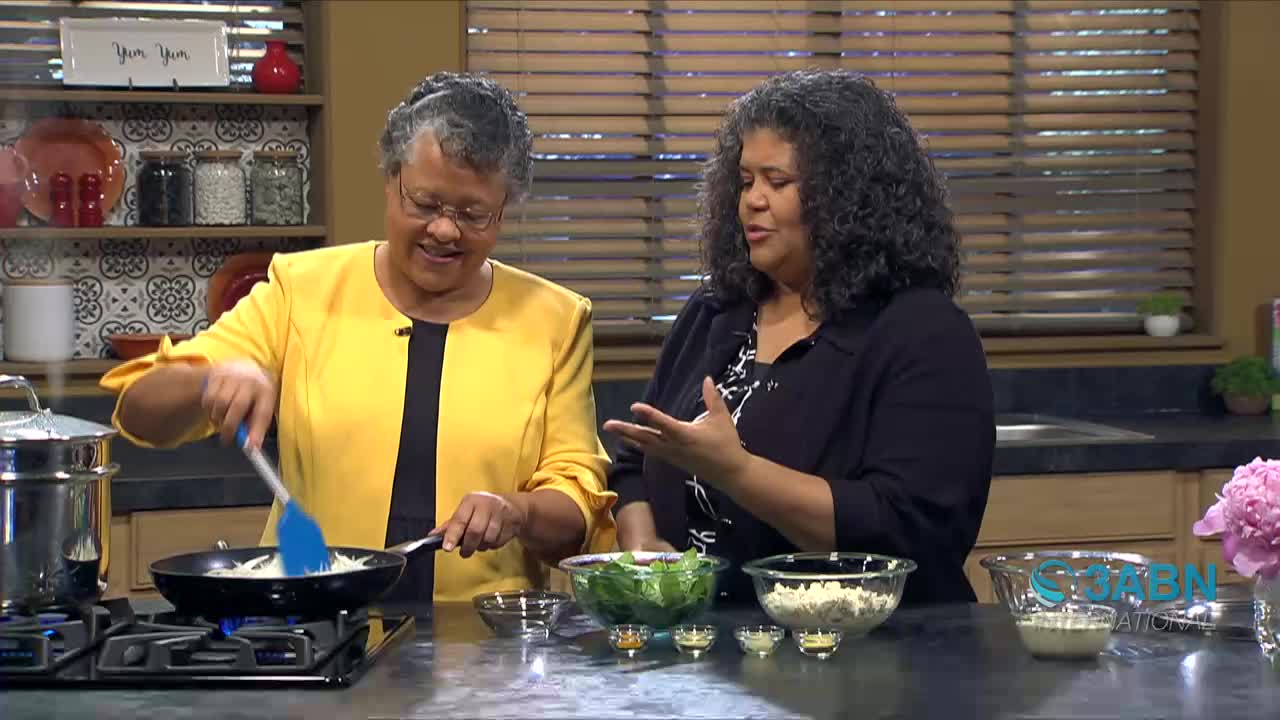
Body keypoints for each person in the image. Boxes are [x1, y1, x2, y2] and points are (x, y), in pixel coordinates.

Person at [100, 72, 616, 603]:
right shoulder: (301, 290)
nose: (444, 229)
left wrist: (518, 511)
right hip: (314, 621)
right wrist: (208, 380)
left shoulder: (556, 319)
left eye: (473, 213)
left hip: (483, 642)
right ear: (391, 178)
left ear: (504, 209)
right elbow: (140, 412)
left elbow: (578, 509)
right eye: (425, 202)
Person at [603, 69, 994, 606]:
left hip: (871, 665)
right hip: (708, 658)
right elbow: (634, 465)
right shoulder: (716, 311)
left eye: (777, 182)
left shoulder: (922, 334)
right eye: (745, 181)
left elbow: (911, 532)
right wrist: (645, 548)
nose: (752, 202)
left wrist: (737, 473)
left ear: (847, 197)